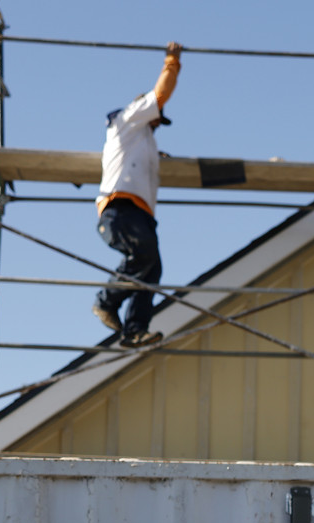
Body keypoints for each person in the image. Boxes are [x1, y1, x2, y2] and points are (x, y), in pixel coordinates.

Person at [92, 42, 183, 347]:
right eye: (155, 117)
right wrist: (172, 61)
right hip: (120, 209)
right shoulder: (128, 120)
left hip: (139, 214)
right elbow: (159, 95)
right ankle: (106, 301)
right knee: (144, 255)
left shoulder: (142, 142)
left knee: (152, 266)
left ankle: (134, 330)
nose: (157, 123)